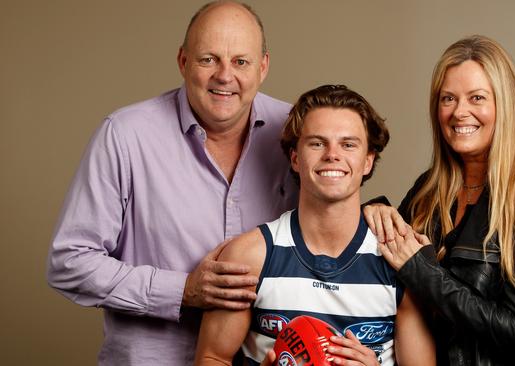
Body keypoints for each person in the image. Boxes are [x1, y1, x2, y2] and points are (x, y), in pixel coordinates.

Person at [46, 2, 298, 365]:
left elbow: (330, 228)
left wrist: (376, 215)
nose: (224, 76)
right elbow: (69, 261)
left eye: (240, 61)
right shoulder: (125, 136)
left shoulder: (296, 132)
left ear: (263, 67)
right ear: (183, 61)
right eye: (208, 59)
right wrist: (181, 291)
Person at [363, 35, 515, 365]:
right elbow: (391, 269)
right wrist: (374, 209)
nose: (460, 112)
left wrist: (423, 271)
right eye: (448, 98)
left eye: (477, 98)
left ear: (505, 105)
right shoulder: (429, 191)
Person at [193, 85, 436, 366]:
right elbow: (212, 358)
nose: (332, 154)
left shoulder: (400, 262)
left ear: (368, 161)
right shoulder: (250, 257)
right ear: (295, 158)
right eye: (317, 143)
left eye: (348, 144)